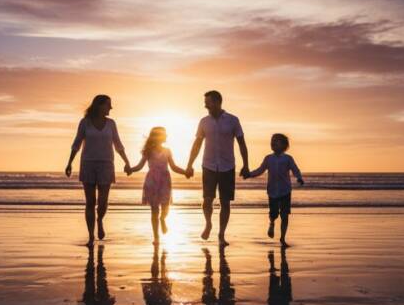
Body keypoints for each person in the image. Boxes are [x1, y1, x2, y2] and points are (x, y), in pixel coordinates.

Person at [185, 90, 249, 246]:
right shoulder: (204, 122)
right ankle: (208, 223)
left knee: (225, 202)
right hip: (208, 165)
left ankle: (221, 234)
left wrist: (246, 165)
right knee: (207, 200)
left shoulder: (233, 120)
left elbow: (241, 143)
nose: (205, 105)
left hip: (227, 166)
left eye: (208, 102)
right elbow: (197, 144)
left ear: (217, 102)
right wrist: (189, 164)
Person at [66, 95, 132, 246]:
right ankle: (91, 236)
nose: (111, 108)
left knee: (102, 202)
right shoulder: (85, 123)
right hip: (88, 164)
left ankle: (100, 220)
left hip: (106, 164)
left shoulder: (111, 124)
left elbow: (118, 144)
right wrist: (69, 163)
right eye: (108, 105)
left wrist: (127, 162)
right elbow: (76, 143)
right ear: (99, 106)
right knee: (90, 202)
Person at [129, 127, 188, 244]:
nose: (166, 136)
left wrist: (185, 172)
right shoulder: (148, 151)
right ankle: (156, 237)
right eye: (164, 134)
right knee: (154, 210)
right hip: (152, 181)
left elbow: (174, 167)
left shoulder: (167, 151)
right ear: (158, 136)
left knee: (166, 206)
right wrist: (131, 169)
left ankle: (163, 219)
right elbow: (140, 166)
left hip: (165, 180)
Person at [245, 133, 304, 247]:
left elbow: (295, 169)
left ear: (284, 145)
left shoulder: (288, 158)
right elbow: (260, 170)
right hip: (272, 191)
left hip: (285, 190)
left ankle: (282, 238)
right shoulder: (268, 158)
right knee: (273, 214)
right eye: (272, 141)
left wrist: (299, 178)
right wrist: (249, 174)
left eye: (276, 141)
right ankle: (272, 223)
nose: (273, 143)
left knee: (284, 215)